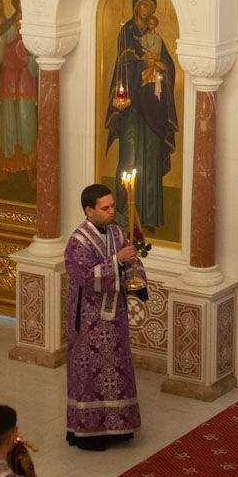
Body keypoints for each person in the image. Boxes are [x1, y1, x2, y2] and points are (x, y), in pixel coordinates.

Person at [64, 184, 145, 451]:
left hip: (115, 317)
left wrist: (137, 279)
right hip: (90, 320)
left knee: (116, 370)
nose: (112, 212)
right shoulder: (78, 242)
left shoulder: (116, 232)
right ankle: (91, 432)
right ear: (89, 210)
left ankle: (119, 426)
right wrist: (117, 260)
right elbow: (86, 277)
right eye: (105, 208)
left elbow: (133, 261)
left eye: (112, 206)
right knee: (91, 373)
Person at [104, 0, 178, 230]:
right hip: (132, 106)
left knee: (151, 158)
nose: (147, 11)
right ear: (136, 7)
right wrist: (144, 61)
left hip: (153, 108)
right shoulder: (127, 31)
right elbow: (125, 60)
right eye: (144, 5)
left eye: (151, 7)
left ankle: (149, 216)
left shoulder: (156, 37)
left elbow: (168, 66)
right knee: (129, 158)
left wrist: (161, 65)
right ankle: (123, 214)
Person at [0, 0, 38, 188]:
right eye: (20, 3)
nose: (22, 7)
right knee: (8, 124)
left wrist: (29, 59)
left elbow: (37, 57)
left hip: (25, 79)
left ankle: (30, 171)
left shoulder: (35, 27)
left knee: (27, 125)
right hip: (8, 80)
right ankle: (5, 170)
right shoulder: (8, 26)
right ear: (16, 4)